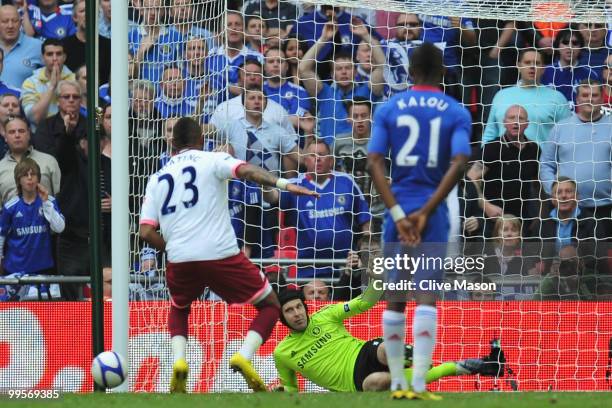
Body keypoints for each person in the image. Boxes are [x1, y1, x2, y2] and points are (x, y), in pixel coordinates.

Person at [138, 116, 318, 393]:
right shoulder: (213, 159)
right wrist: (282, 184)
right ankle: (244, 356)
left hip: (180, 258)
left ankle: (178, 362)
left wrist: (172, 248)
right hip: (220, 254)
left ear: (172, 144)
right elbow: (247, 171)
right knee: (270, 304)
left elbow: (146, 232)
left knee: (179, 308)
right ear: (201, 140)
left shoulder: (157, 178)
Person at [367, 43, 471, 400]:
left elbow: (375, 162)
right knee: (427, 295)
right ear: (443, 73)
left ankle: (397, 383)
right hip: (433, 210)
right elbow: (460, 161)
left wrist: (397, 213)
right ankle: (420, 383)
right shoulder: (455, 111)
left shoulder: (389, 107)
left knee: (395, 295)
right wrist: (426, 211)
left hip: (398, 209)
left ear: (410, 73)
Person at [273, 287, 505, 392]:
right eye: (289, 311)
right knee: (377, 382)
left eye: (298, 307)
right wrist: (283, 392)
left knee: (386, 349)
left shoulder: (325, 315)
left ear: (305, 307)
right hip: (353, 384)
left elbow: (364, 302)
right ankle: (470, 366)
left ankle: (411, 356)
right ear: (282, 319)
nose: (297, 313)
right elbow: (292, 387)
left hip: (364, 352)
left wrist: (377, 279)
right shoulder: (282, 353)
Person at [264, 141, 371, 279]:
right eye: (313, 155)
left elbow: (366, 221)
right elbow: (271, 198)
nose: (318, 159)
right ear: (305, 160)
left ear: (331, 161)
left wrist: (365, 254)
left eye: (322, 155)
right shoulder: (295, 185)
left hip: (346, 265)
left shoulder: (346, 182)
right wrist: (265, 185)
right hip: (309, 267)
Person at [540, 80, 612, 240]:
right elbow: (546, 164)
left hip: (606, 209)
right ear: (577, 99)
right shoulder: (560, 128)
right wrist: (554, 189)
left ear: (602, 98)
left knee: (603, 262)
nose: (590, 99)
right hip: (568, 211)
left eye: (595, 95)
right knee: (566, 260)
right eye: (585, 95)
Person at [299, 20, 385, 145]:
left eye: (348, 68)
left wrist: (365, 36)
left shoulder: (368, 90)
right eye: (339, 69)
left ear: (355, 72)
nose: (344, 72)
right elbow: (303, 68)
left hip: (360, 156)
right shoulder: (324, 92)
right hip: (331, 158)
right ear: (332, 75)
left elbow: (383, 67)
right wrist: (323, 39)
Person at [467, 105, 540, 238]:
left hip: (522, 222)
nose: (516, 122)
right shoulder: (492, 147)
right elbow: (471, 179)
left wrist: (538, 214)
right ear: (504, 122)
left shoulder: (534, 149)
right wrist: (486, 206)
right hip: (493, 221)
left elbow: (538, 185)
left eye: (521, 118)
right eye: (512, 118)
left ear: (527, 124)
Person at [0, 158, 65, 301]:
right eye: (25, 175)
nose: (30, 178)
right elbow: (1, 236)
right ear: (19, 180)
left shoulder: (50, 201)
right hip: (15, 271)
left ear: (38, 178)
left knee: (45, 317)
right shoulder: (10, 207)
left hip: (44, 270)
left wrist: (46, 202)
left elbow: (59, 228)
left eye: (33, 174)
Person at [482, 48, 570, 145]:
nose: (532, 66)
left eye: (537, 63)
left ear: (543, 69)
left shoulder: (557, 98)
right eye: (527, 62)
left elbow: (567, 136)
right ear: (519, 66)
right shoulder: (501, 95)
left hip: (541, 159)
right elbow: (490, 134)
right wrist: (482, 157)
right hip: (503, 159)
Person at [0, 116, 60, 206]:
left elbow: (61, 199)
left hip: (47, 217)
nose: (17, 135)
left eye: (21, 131)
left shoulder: (49, 161)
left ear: (28, 134)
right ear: (5, 137)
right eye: (12, 132)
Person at [21, 38, 75, 126]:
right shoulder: (30, 83)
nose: (54, 58)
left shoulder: (75, 81)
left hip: (70, 135)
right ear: (42, 58)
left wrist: (98, 127)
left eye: (58, 54)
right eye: (50, 54)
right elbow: (34, 118)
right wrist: (52, 87)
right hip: (41, 137)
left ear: (64, 57)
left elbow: (96, 111)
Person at [61, 0, 111, 85]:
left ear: (98, 16)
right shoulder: (64, 46)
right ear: (75, 17)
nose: (87, 14)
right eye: (82, 11)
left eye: (91, 11)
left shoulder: (109, 46)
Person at [541, 29, 596, 103]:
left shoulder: (590, 74)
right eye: (565, 42)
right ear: (557, 46)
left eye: (575, 43)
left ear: (581, 48)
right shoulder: (545, 71)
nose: (570, 47)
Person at [0, 5, 43, 89]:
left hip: (25, 101)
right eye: (5, 21)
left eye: (15, 21)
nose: (10, 26)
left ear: (20, 23)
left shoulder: (37, 47)